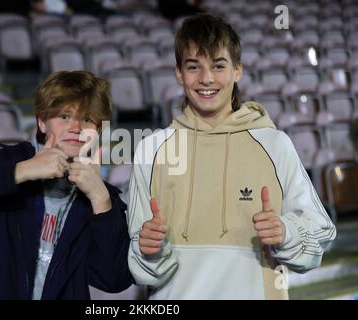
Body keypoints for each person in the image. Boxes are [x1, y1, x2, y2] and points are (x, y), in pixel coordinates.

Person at [127, 14, 336, 299]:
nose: (206, 78)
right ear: (178, 73)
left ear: (238, 70)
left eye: (218, 65)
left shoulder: (275, 145)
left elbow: (320, 233)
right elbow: (142, 269)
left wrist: (286, 232)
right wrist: (150, 250)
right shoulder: (151, 151)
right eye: (193, 67)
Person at [0, 70, 133, 299]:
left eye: (86, 119)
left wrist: (100, 200)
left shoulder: (103, 197)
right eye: (64, 116)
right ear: (42, 122)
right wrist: (21, 171)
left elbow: (113, 279)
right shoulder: (4, 162)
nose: (76, 127)